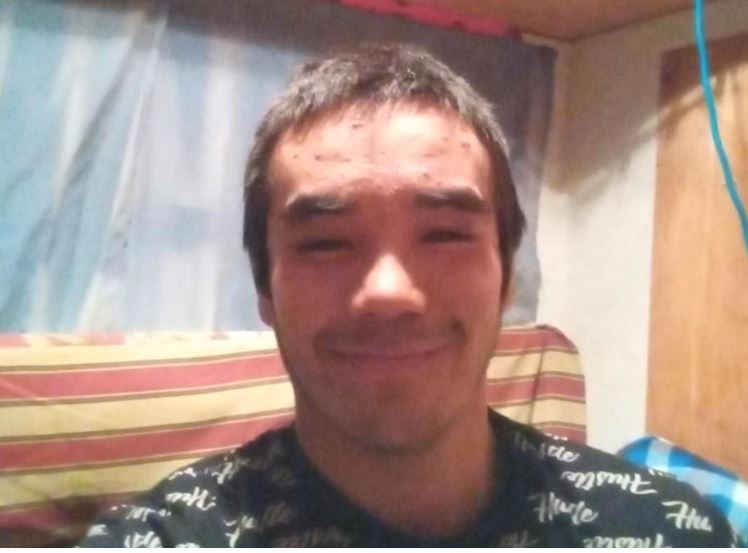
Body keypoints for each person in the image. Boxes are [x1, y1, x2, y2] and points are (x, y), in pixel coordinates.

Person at [78, 43, 741, 547]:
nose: (390, 292)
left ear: (506, 278)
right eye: (326, 243)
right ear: (265, 289)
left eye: (446, 234)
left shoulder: (668, 529)